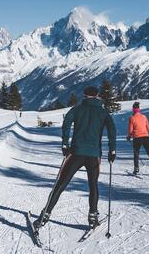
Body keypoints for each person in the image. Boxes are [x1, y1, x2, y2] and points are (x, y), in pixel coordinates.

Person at [34, 86, 116, 229]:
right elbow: (111, 129)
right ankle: (92, 216)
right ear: (97, 96)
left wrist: (65, 143)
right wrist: (112, 149)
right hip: (94, 154)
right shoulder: (103, 112)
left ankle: (45, 215)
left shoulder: (77, 109)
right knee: (93, 185)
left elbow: (66, 124)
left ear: (84, 95)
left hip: (76, 152)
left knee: (61, 183)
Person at [126, 101, 149, 175]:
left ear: (133, 109)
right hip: (145, 137)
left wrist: (129, 136)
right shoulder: (144, 117)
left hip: (137, 138)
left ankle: (136, 169)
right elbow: (148, 127)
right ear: (139, 109)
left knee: (136, 154)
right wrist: (144, 132)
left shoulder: (132, 118)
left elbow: (130, 129)